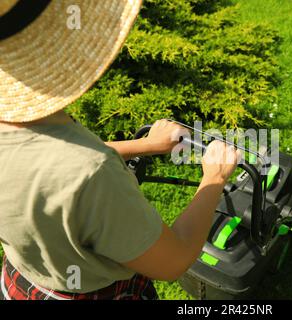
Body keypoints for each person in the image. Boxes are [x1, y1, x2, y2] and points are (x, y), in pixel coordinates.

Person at [0, 0, 239, 300]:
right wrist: (215, 178)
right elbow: (173, 262)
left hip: (23, 283)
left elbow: (48, 158)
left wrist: (146, 145)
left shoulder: (62, 156)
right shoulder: (91, 172)